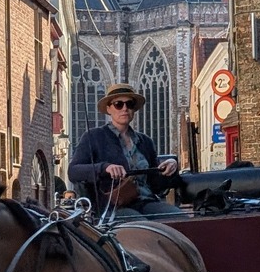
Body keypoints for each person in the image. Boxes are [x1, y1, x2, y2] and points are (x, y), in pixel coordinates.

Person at [68, 83, 180, 217]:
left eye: (130, 104)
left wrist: (170, 168)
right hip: (115, 207)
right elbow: (73, 171)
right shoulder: (94, 137)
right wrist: (105, 168)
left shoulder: (145, 141)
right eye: (118, 104)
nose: (125, 109)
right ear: (109, 109)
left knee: (181, 220)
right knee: (142, 227)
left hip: (147, 202)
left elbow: (156, 185)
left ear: (134, 109)